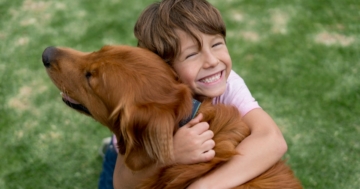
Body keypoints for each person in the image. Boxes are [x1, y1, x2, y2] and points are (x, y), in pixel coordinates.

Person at [99, 0, 288, 188]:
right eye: (191, 55)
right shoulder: (141, 102)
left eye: (216, 45)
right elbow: (122, 184)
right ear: (166, 70)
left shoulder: (229, 84)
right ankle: (112, 148)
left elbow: (272, 140)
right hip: (139, 159)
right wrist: (169, 155)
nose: (212, 61)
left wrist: (204, 186)